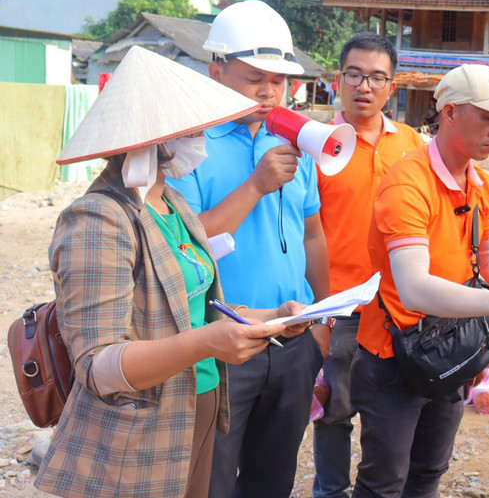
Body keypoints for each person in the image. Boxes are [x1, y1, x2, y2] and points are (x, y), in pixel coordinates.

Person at [35, 46, 309, 498]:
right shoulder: (98, 219)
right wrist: (208, 342)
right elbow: (98, 365)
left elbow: (196, 311)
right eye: (191, 126)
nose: (201, 134)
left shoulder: (173, 205)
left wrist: (271, 317)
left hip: (196, 401)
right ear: (155, 138)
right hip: (138, 426)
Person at [351, 64, 489, 498]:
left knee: (430, 470)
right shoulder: (408, 185)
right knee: (383, 482)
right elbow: (415, 288)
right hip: (397, 353)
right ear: (449, 113)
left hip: (450, 346)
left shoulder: (478, 182)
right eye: (487, 117)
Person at [168, 0, 331, 498]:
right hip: (222, 342)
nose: (268, 91)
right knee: (213, 479)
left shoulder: (297, 144)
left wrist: (324, 323)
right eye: (252, 77)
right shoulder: (187, 146)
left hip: (295, 337)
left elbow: (313, 236)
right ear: (215, 70)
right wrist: (257, 185)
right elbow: (185, 244)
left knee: (273, 479)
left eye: (279, 80)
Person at [313, 32, 425, 498]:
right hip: (339, 304)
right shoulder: (316, 145)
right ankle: (331, 490)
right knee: (334, 410)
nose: (364, 86)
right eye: (355, 75)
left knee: (393, 410)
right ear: (338, 80)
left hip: (396, 306)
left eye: (377, 77)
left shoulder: (416, 145)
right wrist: (317, 309)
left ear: (391, 87)